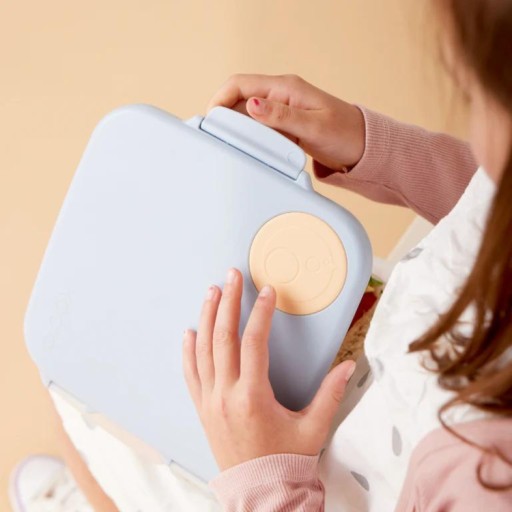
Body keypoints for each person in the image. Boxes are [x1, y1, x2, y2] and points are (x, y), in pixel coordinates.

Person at [12, 0, 511, 510]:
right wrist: (372, 146)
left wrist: (263, 471)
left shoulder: (483, 483)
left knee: (77, 414)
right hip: (395, 346)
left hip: (290, 484)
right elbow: (491, 203)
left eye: (476, 97)